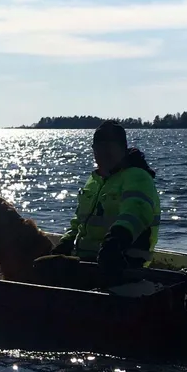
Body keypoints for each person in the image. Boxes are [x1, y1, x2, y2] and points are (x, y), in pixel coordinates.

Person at [48, 121, 161, 286]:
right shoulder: (94, 181)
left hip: (123, 265)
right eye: (99, 147)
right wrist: (66, 242)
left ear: (123, 148)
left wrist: (115, 241)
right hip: (87, 263)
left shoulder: (137, 177)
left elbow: (136, 213)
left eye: (110, 147)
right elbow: (80, 222)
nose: (104, 152)